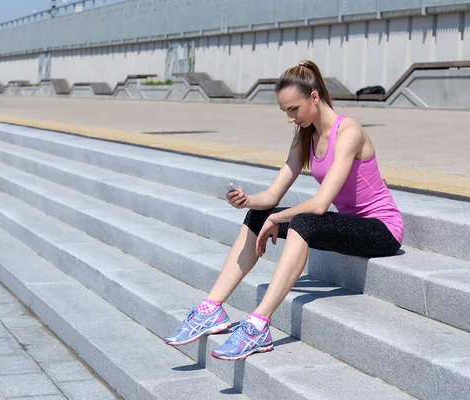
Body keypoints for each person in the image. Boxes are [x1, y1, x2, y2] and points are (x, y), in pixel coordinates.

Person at [164, 60, 404, 361]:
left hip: (381, 230)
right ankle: (211, 309)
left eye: (294, 109)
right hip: (347, 223)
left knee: (302, 221)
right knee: (258, 216)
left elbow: (319, 205)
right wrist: (248, 201)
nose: (290, 118)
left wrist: (278, 218)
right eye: (285, 111)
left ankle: (258, 325)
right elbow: (274, 194)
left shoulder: (350, 131)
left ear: (314, 97)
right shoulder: (306, 137)